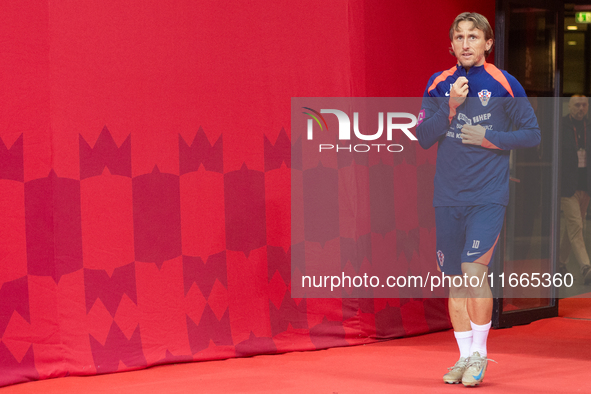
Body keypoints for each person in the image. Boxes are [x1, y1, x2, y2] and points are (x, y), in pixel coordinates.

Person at [416, 12, 541, 386]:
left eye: (474, 37)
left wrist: (488, 138)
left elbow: (532, 134)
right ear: (451, 44)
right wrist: (450, 108)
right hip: (447, 196)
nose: (466, 43)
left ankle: (480, 356)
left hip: (488, 195)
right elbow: (423, 136)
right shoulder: (439, 83)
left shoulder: (504, 83)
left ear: (488, 43)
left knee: (474, 273)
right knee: (455, 281)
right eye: (459, 37)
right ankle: (463, 357)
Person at [559, 95, 591, 285]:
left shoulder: (588, 126)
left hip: (584, 186)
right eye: (577, 105)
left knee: (573, 227)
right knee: (577, 226)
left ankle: (560, 263)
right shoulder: (561, 126)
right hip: (567, 186)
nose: (581, 108)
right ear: (569, 107)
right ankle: (586, 266)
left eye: (584, 105)